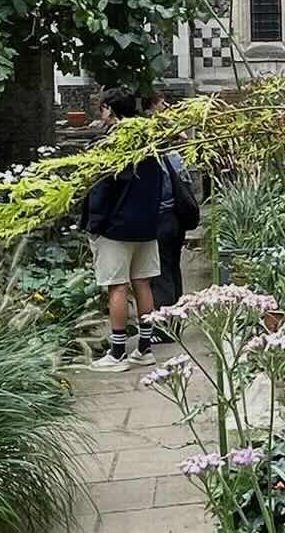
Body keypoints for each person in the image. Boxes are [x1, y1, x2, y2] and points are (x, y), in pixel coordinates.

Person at [82, 87, 167, 371]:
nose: (100, 115)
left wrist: (95, 225)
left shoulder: (108, 144)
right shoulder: (150, 143)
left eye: (102, 109)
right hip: (145, 226)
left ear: (110, 109)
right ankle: (144, 349)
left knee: (117, 287)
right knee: (142, 283)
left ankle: (117, 353)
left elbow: (100, 190)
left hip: (115, 229)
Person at [147, 91, 199, 315]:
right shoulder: (175, 158)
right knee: (173, 267)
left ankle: (165, 322)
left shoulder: (156, 161)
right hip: (176, 219)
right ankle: (177, 316)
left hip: (161, 218)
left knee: (161, 273)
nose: (166, 107)